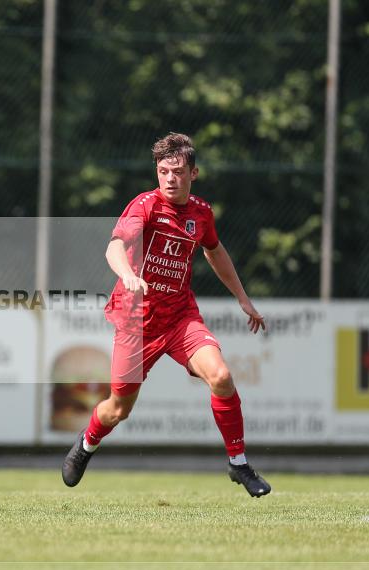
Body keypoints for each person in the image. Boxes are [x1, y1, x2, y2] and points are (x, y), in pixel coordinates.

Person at [61, 132, 271, 497]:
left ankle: (239, 464)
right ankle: (88, 441)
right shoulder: (144, 205)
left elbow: (215, 251)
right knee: (118, 409)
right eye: (162, 171)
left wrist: (242, 297)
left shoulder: (201, 213)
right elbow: (114, 247)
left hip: (180, 317)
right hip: (135, 324)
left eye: (177, 171)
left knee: (221, 376)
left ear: (194, 172)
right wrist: (127, 273)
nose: (169, 178)